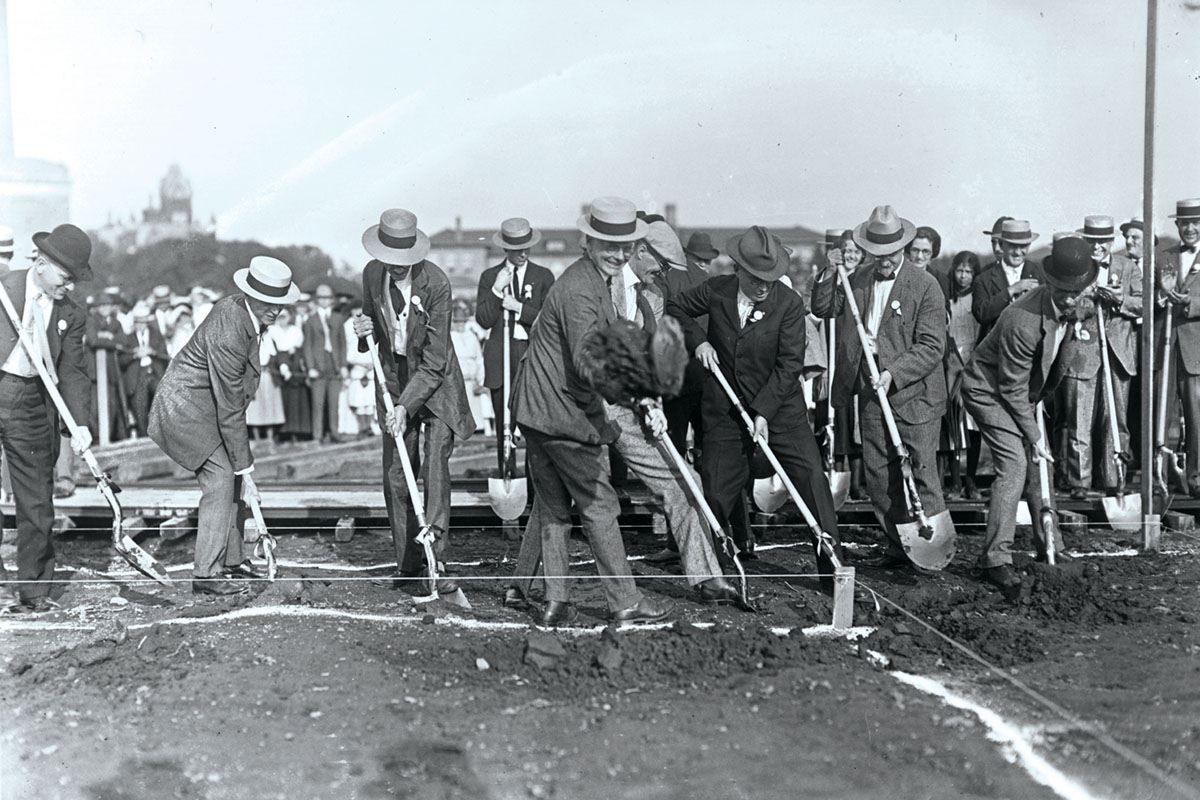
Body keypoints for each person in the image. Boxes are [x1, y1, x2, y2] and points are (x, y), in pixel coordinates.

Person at [510, 196, 673, 625]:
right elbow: (590, 360)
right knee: (600, 505)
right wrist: (636, 398)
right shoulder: (582, 288)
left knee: (553, 509)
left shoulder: (588, 279)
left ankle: (555, 603)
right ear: (589, 242)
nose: (618, 255)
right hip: (561, 415)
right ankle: (625, 601)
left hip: (537, 411)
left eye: (625, 247)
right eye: (609, 246)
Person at [667, 224, 843, 588]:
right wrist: (698, 341)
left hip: (780, 411)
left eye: (772, 277)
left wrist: (763, 411)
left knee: (813, 482)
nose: (765, 285)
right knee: (715, 492)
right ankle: (712, 576)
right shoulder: (716, 291)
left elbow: (789, 365)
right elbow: (675, 308)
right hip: (726, 412)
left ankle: (833, 574)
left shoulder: (789, 305)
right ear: (738, 270)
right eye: (757, 278)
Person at [149, 256, 301, 596]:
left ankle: (232, 561)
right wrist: (247, 470)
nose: (275, 310)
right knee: (221, 478)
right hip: (184, 409)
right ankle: (206, 573)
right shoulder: (230, 329)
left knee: (231, 477)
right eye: (268, 303)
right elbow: (231, 406)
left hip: (207, 407)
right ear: (251, 296)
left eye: (280, 303)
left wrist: (243, 468)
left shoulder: (244, 312)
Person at [812, 205, 947, 569]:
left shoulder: (925, 286)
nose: (884, 261)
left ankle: (931, 548)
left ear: (902, 248)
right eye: (878, 254)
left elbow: (932, 346)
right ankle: (896, 544)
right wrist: (830, 270)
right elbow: (823, 307)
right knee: (879, 474)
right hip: (870, 392)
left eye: (891, 254)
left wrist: (892, 370)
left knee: (921, 470)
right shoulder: (857, 277)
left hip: (914, 394)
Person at [961, 237, 1096, 594]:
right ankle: (995, 560)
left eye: (1077, 291)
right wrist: (1035, 437)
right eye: (1064, 291)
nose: (1071, 298)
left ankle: (1051, 546)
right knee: (1015, 463)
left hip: (1025, 391)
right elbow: (1010, 390)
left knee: (1042, 467)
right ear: (1050, 283)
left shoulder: (1079, 304)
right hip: (987, 390)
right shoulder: (1021, 321)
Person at [352, 208, 475, 593]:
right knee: (396, 476)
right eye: (389, 261)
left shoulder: (436, 284)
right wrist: (362, 329)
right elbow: (370, 327)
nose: (394, 268)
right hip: (393, 380)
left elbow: (436, 361)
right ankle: (408, 563)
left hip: (436, 387)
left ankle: (437, 558)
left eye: (401, 261)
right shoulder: (372, 274)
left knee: (434, 467)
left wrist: (409, 406)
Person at [0, 224, 94, 612]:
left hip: (33, 402)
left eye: (74, 279)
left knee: (37, 498)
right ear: (40, 263)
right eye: (64, 276)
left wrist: (80, 424)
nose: (69, 286)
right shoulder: (5, 287)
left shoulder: (71, 314)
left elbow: (72, 371)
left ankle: (34, 589)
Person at [1058, 215, 1142, 499]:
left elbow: (1143, 304)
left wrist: (1119, 300)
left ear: (1111, 241)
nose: (1097, 246)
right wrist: (1085, 298)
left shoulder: (1128, 267)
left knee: (1116, 421)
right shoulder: (1074, 267)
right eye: (1092, 240)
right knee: (1078, 421)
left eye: (1103, 241)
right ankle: (1079, 482)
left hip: (1118, 356)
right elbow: (1065, 306)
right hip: (1082, 354)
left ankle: (1114, 479)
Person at [474, 218, 555, 472]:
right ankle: (506, 475)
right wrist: (497, 291)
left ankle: (536, 492)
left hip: (531, 357)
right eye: (517, 248)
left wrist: (519, 308)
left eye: (526, 247)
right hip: (501, 358)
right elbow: (484, 320)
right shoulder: (489, 277)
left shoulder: (543, 276)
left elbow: (549, 321)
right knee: (504, 426)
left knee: (534, 428)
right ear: (505, 248)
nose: (523, 253)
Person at [1157, 198, 1200, 497]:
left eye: (1196, 222)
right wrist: (1161, 300)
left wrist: (1192, 305)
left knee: (1197, 418)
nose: (1190, 228)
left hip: (1195, 351)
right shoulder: (1165, 257)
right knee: (1160, 416)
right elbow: (1148, 297)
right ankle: (1159, 479)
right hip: (1166, 348)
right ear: (1177, 226)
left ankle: (1196, 478)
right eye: (1185, 223)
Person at [940, 251, 982, 499]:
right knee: (954, 424)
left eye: (968, 272)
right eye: (959, 271)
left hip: (974, 363)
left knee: (974, 425)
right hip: (952, 364)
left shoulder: (978, 298)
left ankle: (972, 480)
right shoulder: (949, 299)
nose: (963, 276)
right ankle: (955, 481)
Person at [973, 219, 1043, 342]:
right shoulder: (983, 279)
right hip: (996, 352)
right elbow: (981, 314)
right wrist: (1011, 290)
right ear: (1002, 245)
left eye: (1023, 246)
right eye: (1012, 246)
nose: (1017, 252)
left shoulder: (1039, 273)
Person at [86, 287, 131, 443]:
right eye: (102, 305)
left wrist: (107, 337)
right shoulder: (91, 320)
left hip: (110, 371)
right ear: (97, 307)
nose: (105, 308)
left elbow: (124, 341)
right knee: (94, 408)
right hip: (94, 372)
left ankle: (108, 438)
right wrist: (113, 341)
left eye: (108, 305)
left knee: (111, 406)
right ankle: (98, 438)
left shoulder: (116, 322)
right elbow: (93, 341)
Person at [303, 283, 347, 444]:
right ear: (317, 299)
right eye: (321, 298)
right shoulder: (310, 320)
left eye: (327, 298)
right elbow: (307, 346)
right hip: (318, 366)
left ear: (332, 300)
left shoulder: (338, 318)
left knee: (334, 403)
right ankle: (317, 435)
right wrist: (310, 367)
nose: (324, 301)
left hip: (334, 365)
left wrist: (343, 365)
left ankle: (335, 433)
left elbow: (343, 344)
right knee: (318, 403)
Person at [121, 304, 170, 438]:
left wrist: (152, 352)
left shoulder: (156, 335)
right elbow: (121, 361)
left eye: (143, 322)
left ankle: (162, 436)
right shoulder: (128, 338)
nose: (140, 325)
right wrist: (135, 355)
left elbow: (166, 355)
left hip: (153, 374)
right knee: (139, 408)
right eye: (138, 322)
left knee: (161, 399)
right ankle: (144, 437)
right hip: (137, 377)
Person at [268, 306, 310, 444]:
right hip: (278, 366)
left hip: (295, 364)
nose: (282, 320)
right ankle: (282, 433)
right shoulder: (272, 331)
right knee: (281, 402)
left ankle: (297, 432)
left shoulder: (295, 330)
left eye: (284, 317)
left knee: (297, 401)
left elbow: (299, 348)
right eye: (279, 317)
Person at [450, 299, 488, 433]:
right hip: (457, 379)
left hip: (471, 380)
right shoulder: (451, 337)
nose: (460, 325)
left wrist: (481, 380)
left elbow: (479, 360)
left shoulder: (471, 337)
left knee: (474, 411)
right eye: (457, 322)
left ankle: (476, 429)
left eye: (462, 322)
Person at [342, 300, 376, 437]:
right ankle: (362, 427)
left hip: (370, 364)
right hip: (357, 365)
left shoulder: (369, 322)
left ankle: (369, 426)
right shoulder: (346, 326)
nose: (357, 312)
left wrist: (372, 362)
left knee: (369, 400)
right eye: (354, 309)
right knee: (358, 400)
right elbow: (347, 348)